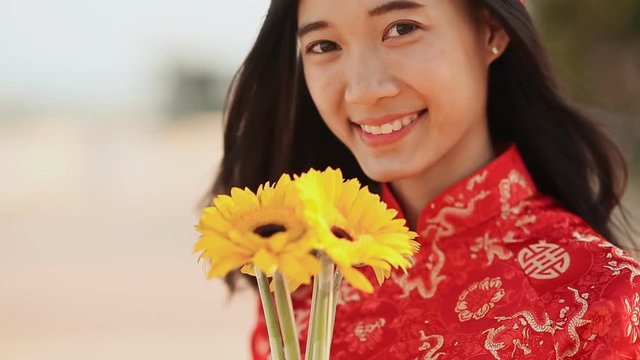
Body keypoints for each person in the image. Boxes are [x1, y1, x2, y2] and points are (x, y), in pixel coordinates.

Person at [210, 0, 640, 358]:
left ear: (491, 29)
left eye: (401, 28)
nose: (363, 89)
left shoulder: (603, 301)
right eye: (324, 45)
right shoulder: (306, 287)